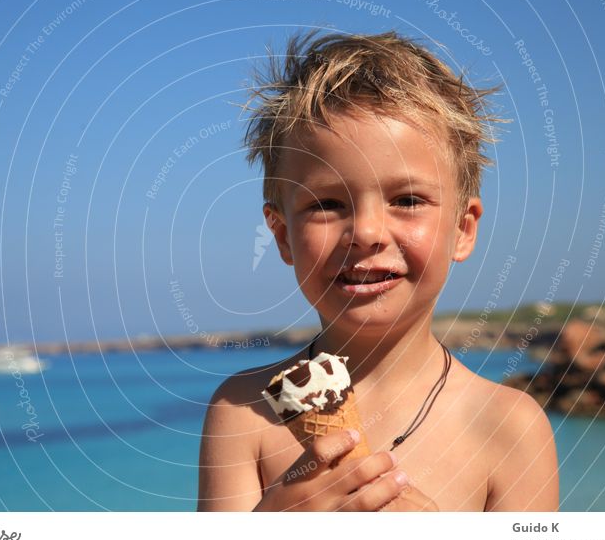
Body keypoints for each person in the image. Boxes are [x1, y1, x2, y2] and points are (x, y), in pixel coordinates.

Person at [197, 30, 559, 512]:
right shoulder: (242, 415)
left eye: (407, 200)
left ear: (462, 229)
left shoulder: (509, 428)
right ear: (282, 236)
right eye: (326, 204)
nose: (366, 232)